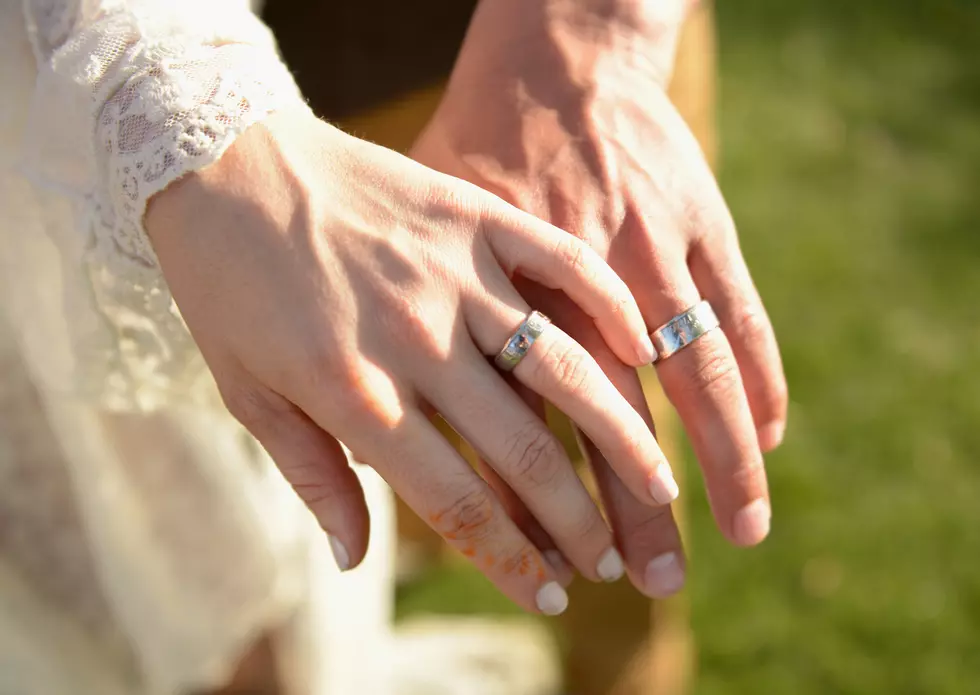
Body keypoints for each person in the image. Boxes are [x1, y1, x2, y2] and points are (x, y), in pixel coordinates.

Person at [0, 0, 787, 694]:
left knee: (605, 436)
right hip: (215, 101)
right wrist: (189, 120)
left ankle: (620, 669)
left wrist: (591, 28)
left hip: (530, 49)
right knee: (339, 487)